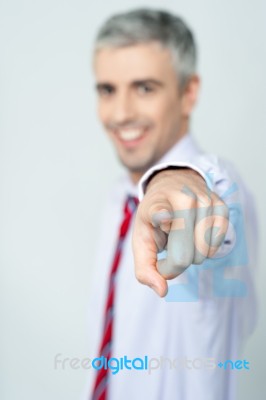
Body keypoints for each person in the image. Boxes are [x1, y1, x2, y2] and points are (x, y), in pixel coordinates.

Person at [83, 8, 258, 400]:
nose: (121, 113)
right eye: (107, 90)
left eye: (145, 88)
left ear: (188, 92)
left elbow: (209, 198)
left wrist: (179, 180)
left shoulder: (218, 195)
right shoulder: (120, 203)